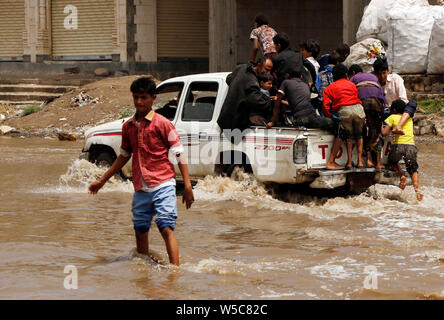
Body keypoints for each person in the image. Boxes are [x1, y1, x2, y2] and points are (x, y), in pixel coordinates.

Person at [88, 77, 195, 266]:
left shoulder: (163, 124)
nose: (139, 102)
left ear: (153, 98)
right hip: (141, 187)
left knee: (165, 227)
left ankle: (175, 271)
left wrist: (187, 186)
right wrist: (101, 180)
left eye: (143, 97)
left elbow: (179, 154)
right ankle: (145, 270)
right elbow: (123, 156)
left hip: (163, 183)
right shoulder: (128, 127)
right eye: (136, 97)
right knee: (140, 230)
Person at [267, 66, 335, 132]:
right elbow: (296, 104)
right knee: (333, 124)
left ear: (287, 75)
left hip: (301, 118)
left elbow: (277, 105)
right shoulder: (305, 85)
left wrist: (273, 122)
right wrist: (281, 101)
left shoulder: (286, 82)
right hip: (312, 115)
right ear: (301, 77)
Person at [323, 64, 366, 170]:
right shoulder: (352, 84)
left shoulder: (329, 88)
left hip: (345, 111)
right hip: (358, 109)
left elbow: (325, 106)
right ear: (346, 75)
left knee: (349, 136)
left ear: (333, 76)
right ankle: (360, 161)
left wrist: (331, 117)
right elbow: (357, 96)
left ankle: (349, 162)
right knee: (359, 135)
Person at [217, 60, 271, 142]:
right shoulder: (251, 81)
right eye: (266, 70)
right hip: (235, 125)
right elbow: (258, 102)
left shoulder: (241, 67)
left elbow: (229, 79)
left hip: (224, 120)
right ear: (259, 65)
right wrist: (273, 103)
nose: (268, 73)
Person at [381, 99, 423, 201]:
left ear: (394, 109)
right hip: (411, 146)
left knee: (393, 162)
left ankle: (402, 175)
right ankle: (416, 185)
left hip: (398, 146)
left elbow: (384, 133)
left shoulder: (392, 117)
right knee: (413, 169)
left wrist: (380, 126)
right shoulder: (408, 118)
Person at [350, 65, 386, 169]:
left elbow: (351, 92)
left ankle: (368, 158)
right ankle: (378, 162)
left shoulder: (354, 78)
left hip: (363, 102)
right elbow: (381, 95)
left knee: (364, 130)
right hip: (377, 103)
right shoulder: (373, 77)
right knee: (375, 133)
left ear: (352, 73)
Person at [372, 57, 416, 135]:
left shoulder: (396, 78)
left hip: (398, 111)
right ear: (375, 74)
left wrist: (396, 109)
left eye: (384, 73)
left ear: (388, 71)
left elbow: (403, 99)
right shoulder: (374, 84)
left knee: (412, 103)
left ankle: (398, 126)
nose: (382, 76)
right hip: (385, 113)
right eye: (379, 74)